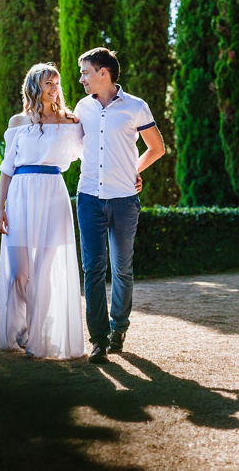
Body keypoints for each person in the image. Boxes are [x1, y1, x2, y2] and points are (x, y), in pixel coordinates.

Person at [75, 47, 166, 364]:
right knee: (93, 269)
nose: (82, 79)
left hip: (125, 200)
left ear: (104, 73)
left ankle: (118, 330)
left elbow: (157, 148)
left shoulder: (136, 107)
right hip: (88, 198)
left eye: (86, 72)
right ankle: (98, 340)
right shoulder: (82, 108)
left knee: (122, 269)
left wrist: (134, 172)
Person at [0, 63, 85, 359]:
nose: (54, 87)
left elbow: (92, 153)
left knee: (45, 270)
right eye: (48, 82)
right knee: (19, 272)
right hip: (20, 195)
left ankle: (39, 336)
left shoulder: (72, 122)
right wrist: (0, 209)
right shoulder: (18, 122)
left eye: (56, 82)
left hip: (53, 194)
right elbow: (7, 168)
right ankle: (20, 331)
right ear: (34, 87)